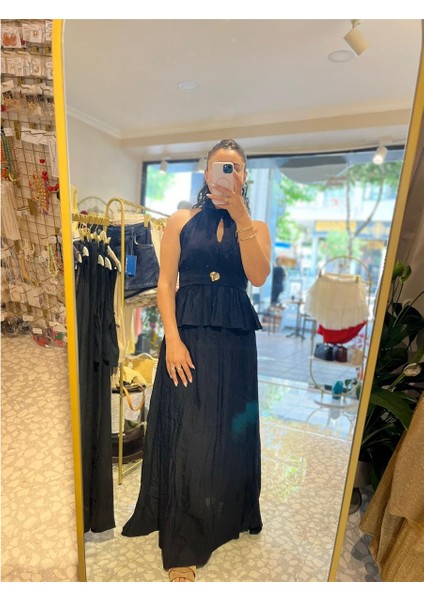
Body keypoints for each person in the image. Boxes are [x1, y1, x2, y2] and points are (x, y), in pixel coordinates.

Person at [122, 139, 271, 582]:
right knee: (189, 428)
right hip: (187, 335)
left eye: (236, 167)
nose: (229, 173)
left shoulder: (256, 226)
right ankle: (184, 540)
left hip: (236, 339)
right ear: (206, 173)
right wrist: (172, 339)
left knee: (230, 428)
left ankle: (226, 513)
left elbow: (258, 276)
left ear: (245, 176)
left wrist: (241, 217)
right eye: (221, 166)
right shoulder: (180, 220)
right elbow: (165, 283)